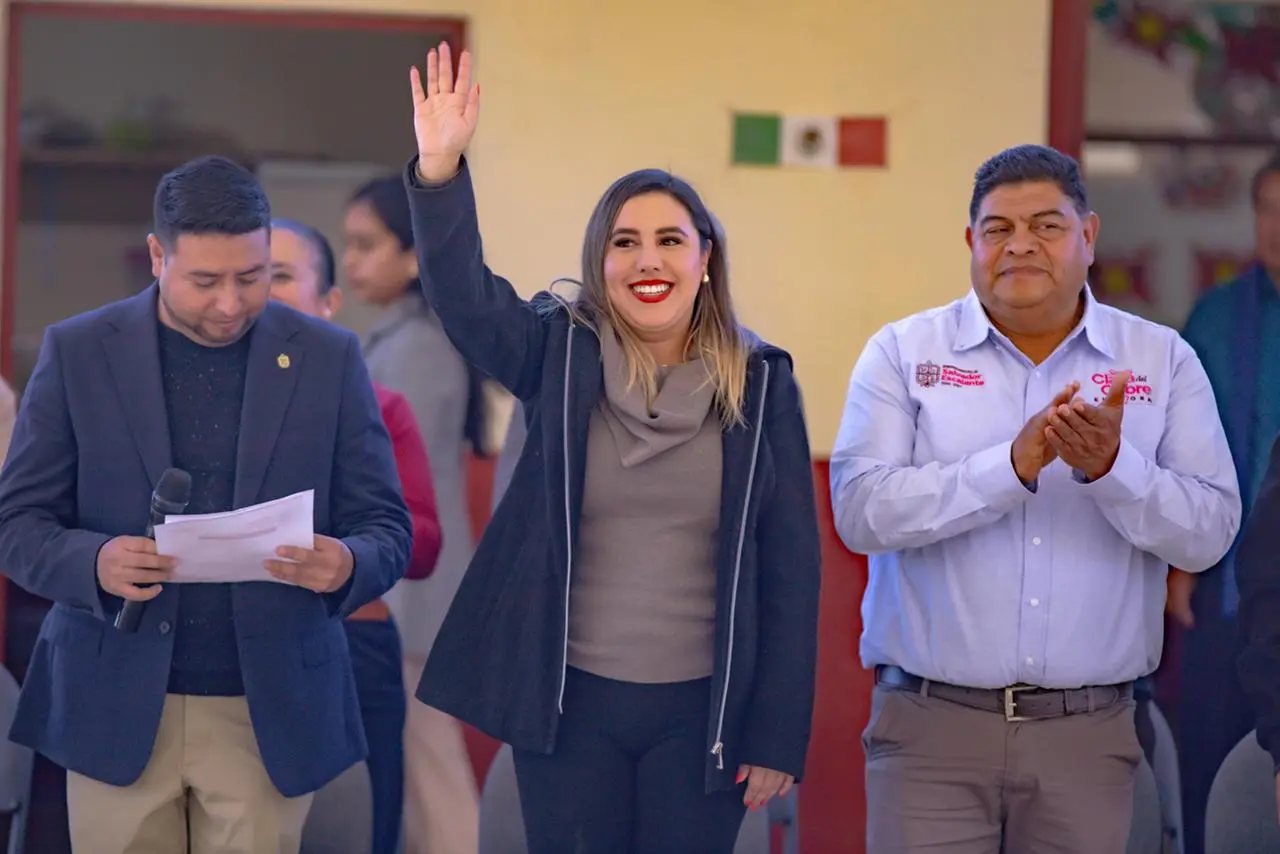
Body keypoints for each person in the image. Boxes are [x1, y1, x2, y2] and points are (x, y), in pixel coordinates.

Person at [403, 43, 823, 854]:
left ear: (706, 262)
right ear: (600, 263)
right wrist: (441, 168)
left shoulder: (763, 385)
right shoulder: (556, 354)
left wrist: (776, 735)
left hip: (704, 717)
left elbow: (791, 571)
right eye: (624, 242)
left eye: (670, 240)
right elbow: (462, 299)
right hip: (569, 708)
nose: (648, 260)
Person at [831, 143, 1241, 854]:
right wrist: (1010, 468)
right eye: (998, 229)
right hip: (930, 730)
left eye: (1047, 225)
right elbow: (861, 512)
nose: (1020, 245)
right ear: (970, 243)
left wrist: (1114, 469)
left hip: (1086, 735)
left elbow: (1209, 532)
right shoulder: (902, 354)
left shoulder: (1161, 361)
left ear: (1088, 236)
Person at [0, 156, 413, 854]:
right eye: (205, 281)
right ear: (158, 256)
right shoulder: (78, 352)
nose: (230, 303)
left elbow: (387, 528)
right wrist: (94, 560)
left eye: (251, 279)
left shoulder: (328, 358)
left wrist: (345, 563)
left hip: (267, 707)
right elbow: (16, 523)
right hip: (113, 702)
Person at [269, 218, 443, 854]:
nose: (255, 292)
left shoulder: (379, 404)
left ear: (328, 303)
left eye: (280, 276)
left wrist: (347, 549)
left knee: (361, 832)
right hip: (222, 649)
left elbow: (422, 541)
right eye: (241, 276)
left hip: (350, 640)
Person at [342, 173, 484, 854]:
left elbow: (405, 497)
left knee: (431, 771)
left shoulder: (419, 348)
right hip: (402, 595)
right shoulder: (396, 339)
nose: (353, 261)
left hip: (412, 596)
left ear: (411, 255)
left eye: (367, 244)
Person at [1172, 150, 1280, 854]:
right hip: (1227, 585)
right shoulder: (1214, 318)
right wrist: (1175, 568)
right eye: (1268, 208)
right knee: (1212, 768)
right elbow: (1173, 449)